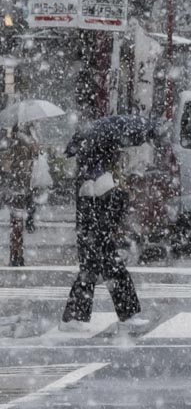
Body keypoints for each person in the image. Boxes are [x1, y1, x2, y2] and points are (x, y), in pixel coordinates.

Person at [61, 139, 146, 330]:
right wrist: (123, 194)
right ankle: (125, 315)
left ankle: (74, 318)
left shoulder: (92, 179)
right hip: (97, 234)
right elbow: (111, 213)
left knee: (94, 272)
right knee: (106, 272)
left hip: (95, 234)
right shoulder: (101, 182)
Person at [1, 125, 38, 267]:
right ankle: (18, 254)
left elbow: (6, 167)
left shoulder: (10, 144)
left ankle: (15, 254)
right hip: (22, 188)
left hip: (14, 188)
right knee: (18, 222)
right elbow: (35, 157)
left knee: (15, 222)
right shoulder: (28, 144)